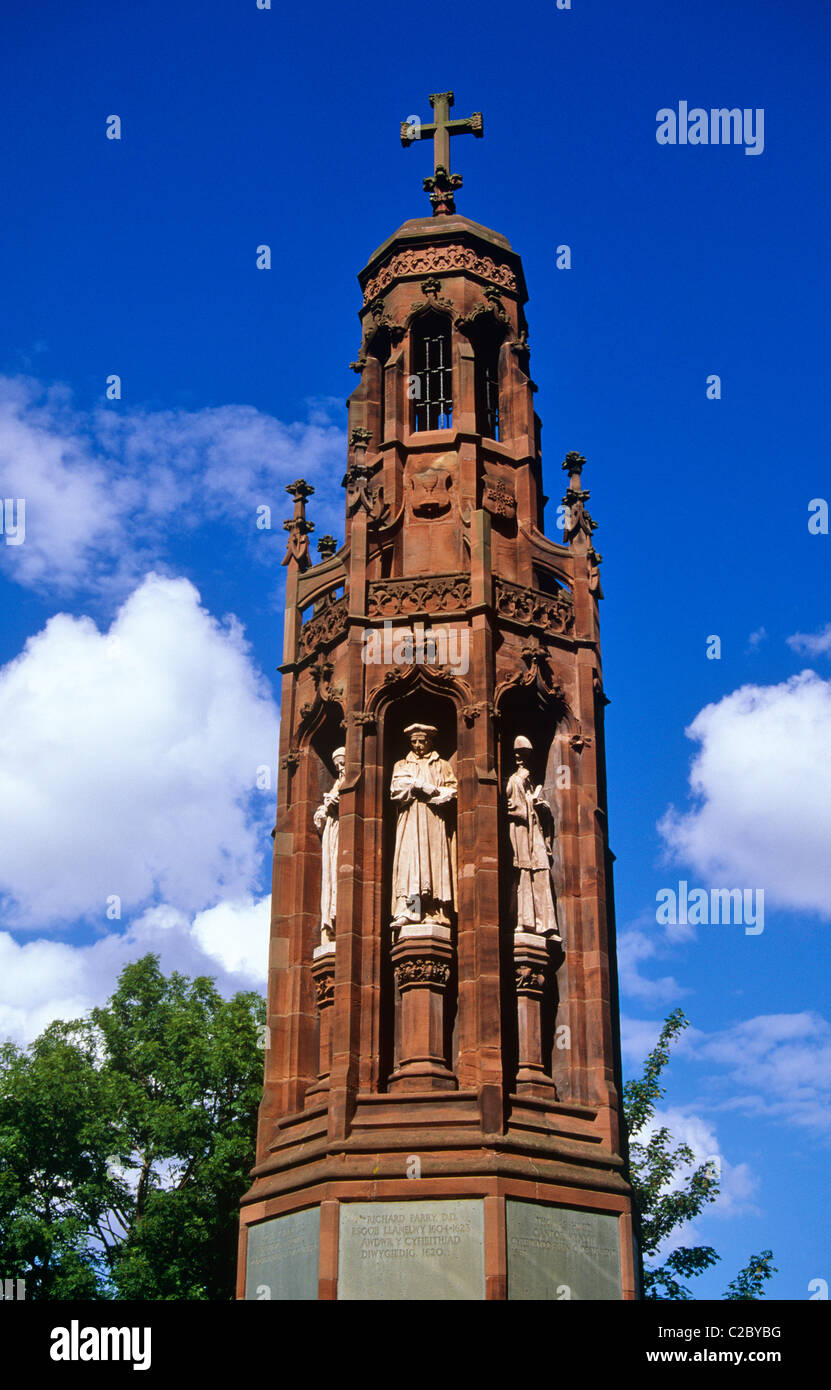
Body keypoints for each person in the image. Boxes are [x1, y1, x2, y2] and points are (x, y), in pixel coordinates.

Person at [389, 723, 457, 931]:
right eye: (414, 742)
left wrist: (434, 792)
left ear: (430, 741)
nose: (418, 745)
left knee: (434, 866)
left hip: (433, 819)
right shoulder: (402, 765)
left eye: (422, 741)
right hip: (410, 820)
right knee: (412, 868)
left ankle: (435, 912)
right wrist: (417, 785)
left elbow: (453, 790)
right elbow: (395, 790)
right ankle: (412, 911)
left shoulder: (442, 764)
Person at [505, 735, 560, 937]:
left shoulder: (531, 783)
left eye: (525, 755)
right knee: (522, 872)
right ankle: (524, 920)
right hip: (519, 832)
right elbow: (509, 805)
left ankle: (545, 924)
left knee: (541, 871)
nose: (521, 759)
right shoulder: (513, 780)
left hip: (534, 832)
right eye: (518, 754)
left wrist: (539, 805)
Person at [313, 746, 346, 947]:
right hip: (333, 835)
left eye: (343, 763)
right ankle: (332, 925)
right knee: (331, 878)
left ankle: (339, 918)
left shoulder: (349, 782)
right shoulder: (335, 784)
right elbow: (320, 819)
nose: (341, 768)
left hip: (345, 834)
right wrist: (324, 811)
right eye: (337, 765)